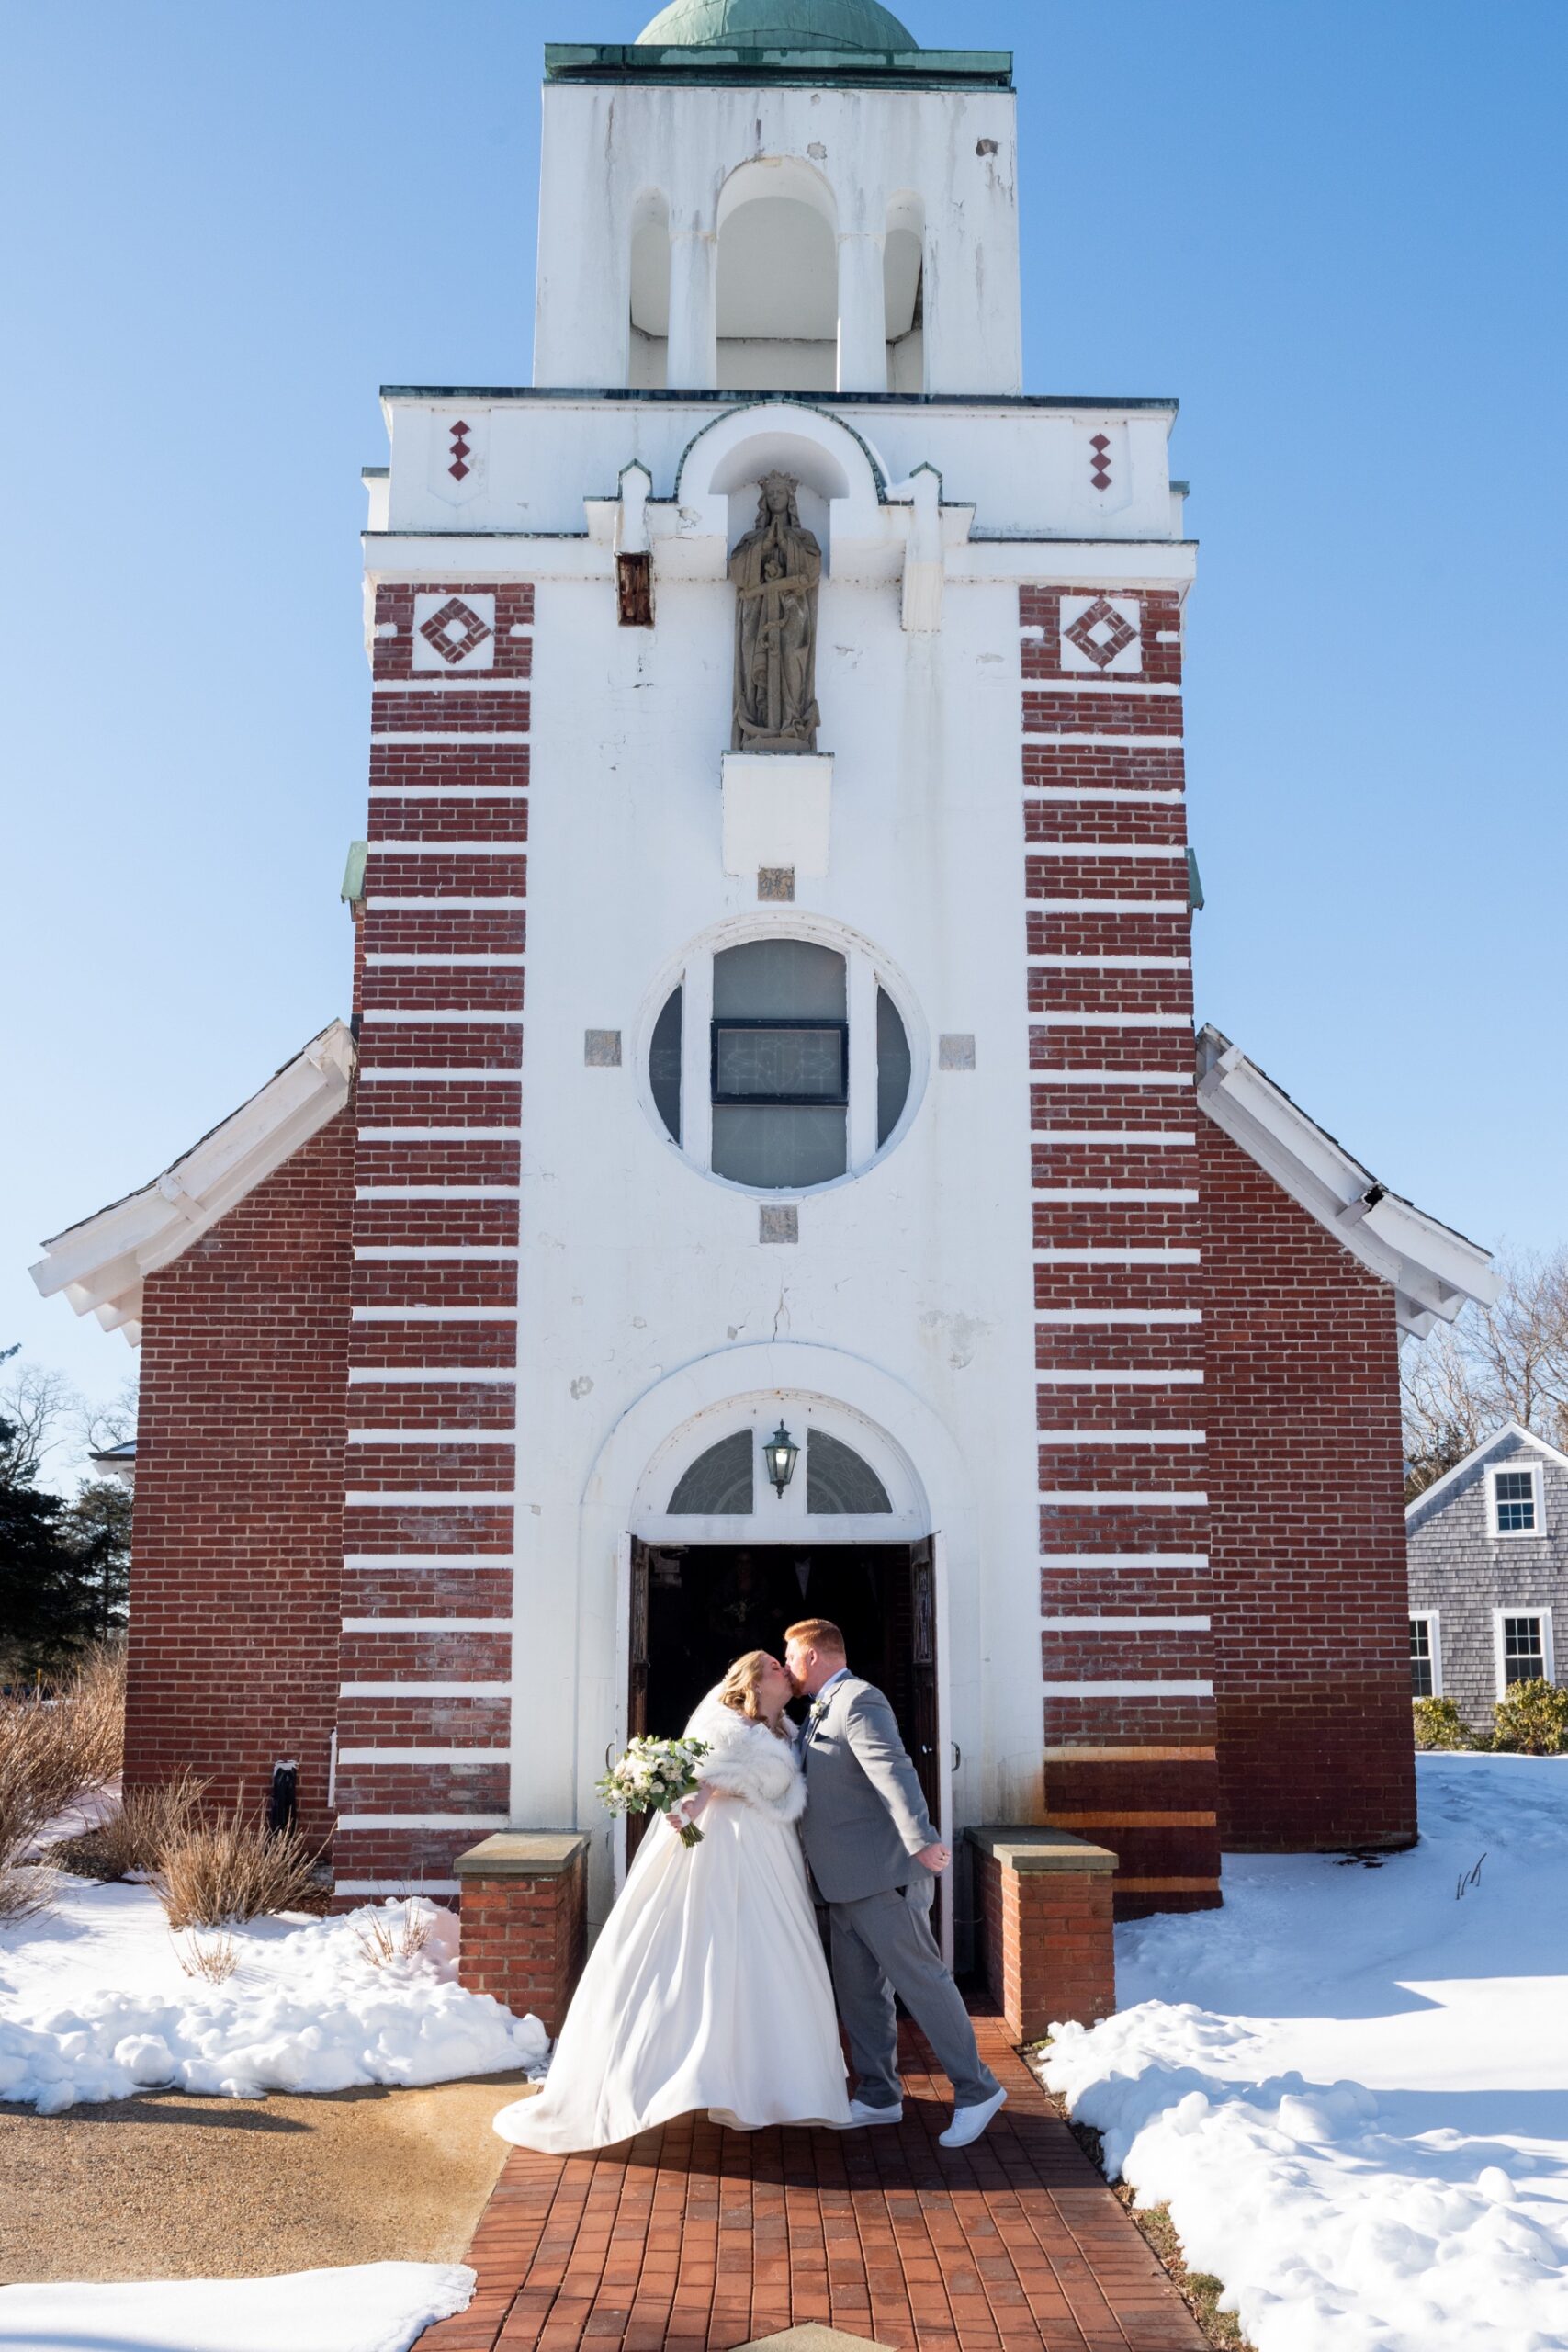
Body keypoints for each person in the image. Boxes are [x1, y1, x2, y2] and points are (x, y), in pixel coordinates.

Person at [491, 1651, 851, 2152]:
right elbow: (707, 1776)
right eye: (772, 1665)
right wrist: (696, 1801)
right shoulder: (725, 1723)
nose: (783, 1670)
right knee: (708, 1955)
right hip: (727, 1852)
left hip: (774, 1856)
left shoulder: (790, 1731)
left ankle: (772, 2084)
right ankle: (688, 2077)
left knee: (773, 1960)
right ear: (752, 1681)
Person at [784, 1616, 1006, 2150]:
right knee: (861, 1994)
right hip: (842, 1882)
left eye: (789, 1655)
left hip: (885, 1877)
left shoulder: (859, 1699)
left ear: (813, 1655)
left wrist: (921, 1838)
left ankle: (977, 2090)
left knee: (923, 1983)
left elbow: (893, 1769)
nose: (786, 1665)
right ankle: (879, 2095)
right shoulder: (818, 1709)